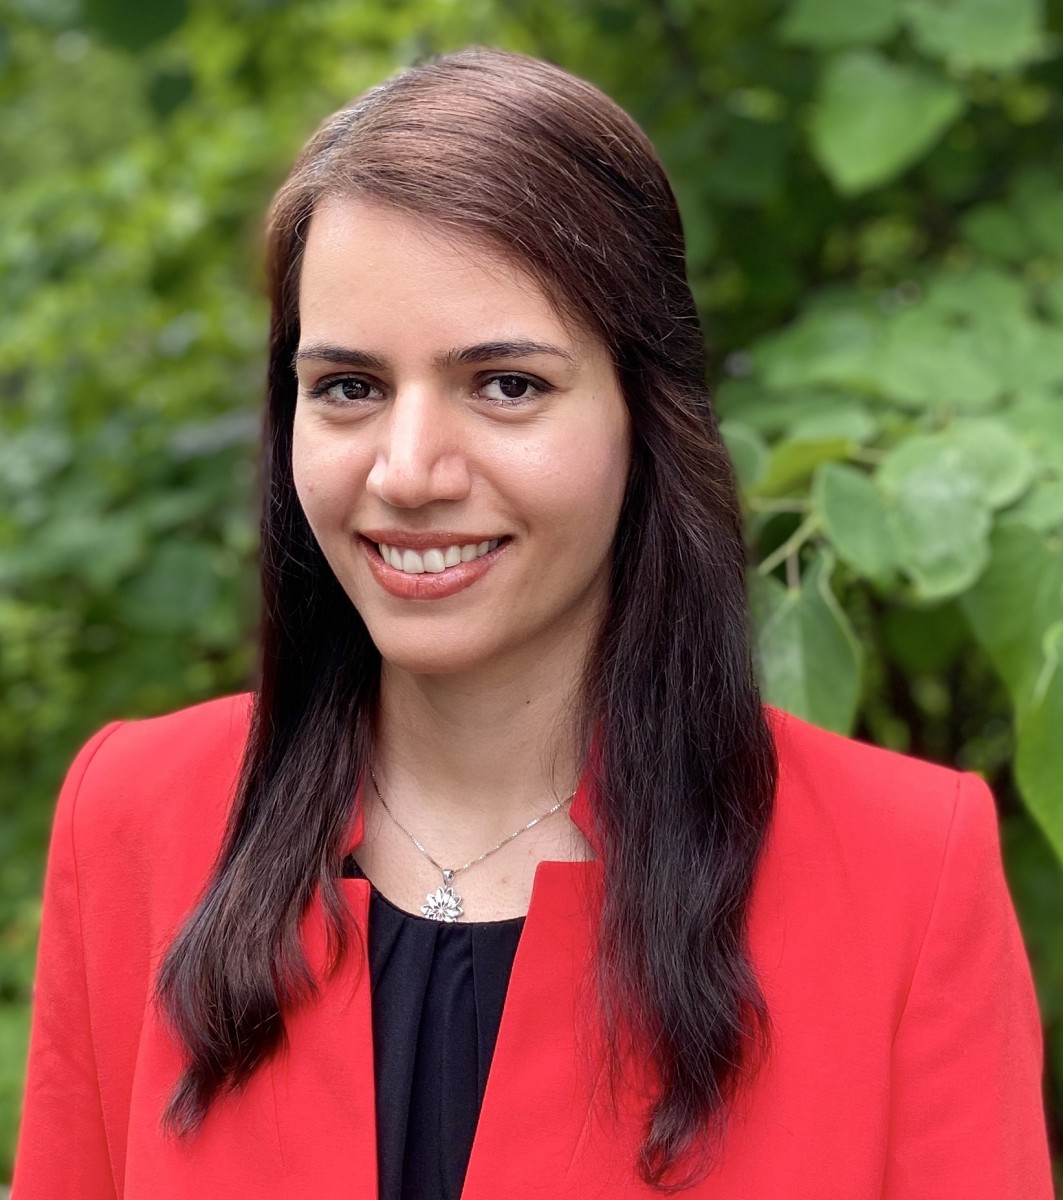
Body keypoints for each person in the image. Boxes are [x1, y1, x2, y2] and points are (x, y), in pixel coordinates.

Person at [12, 47, 1052, 1200]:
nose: (407, 472)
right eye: (348, 386)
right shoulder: (136, 817)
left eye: (506, 383)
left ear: (645, 418)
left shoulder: (908, 872)